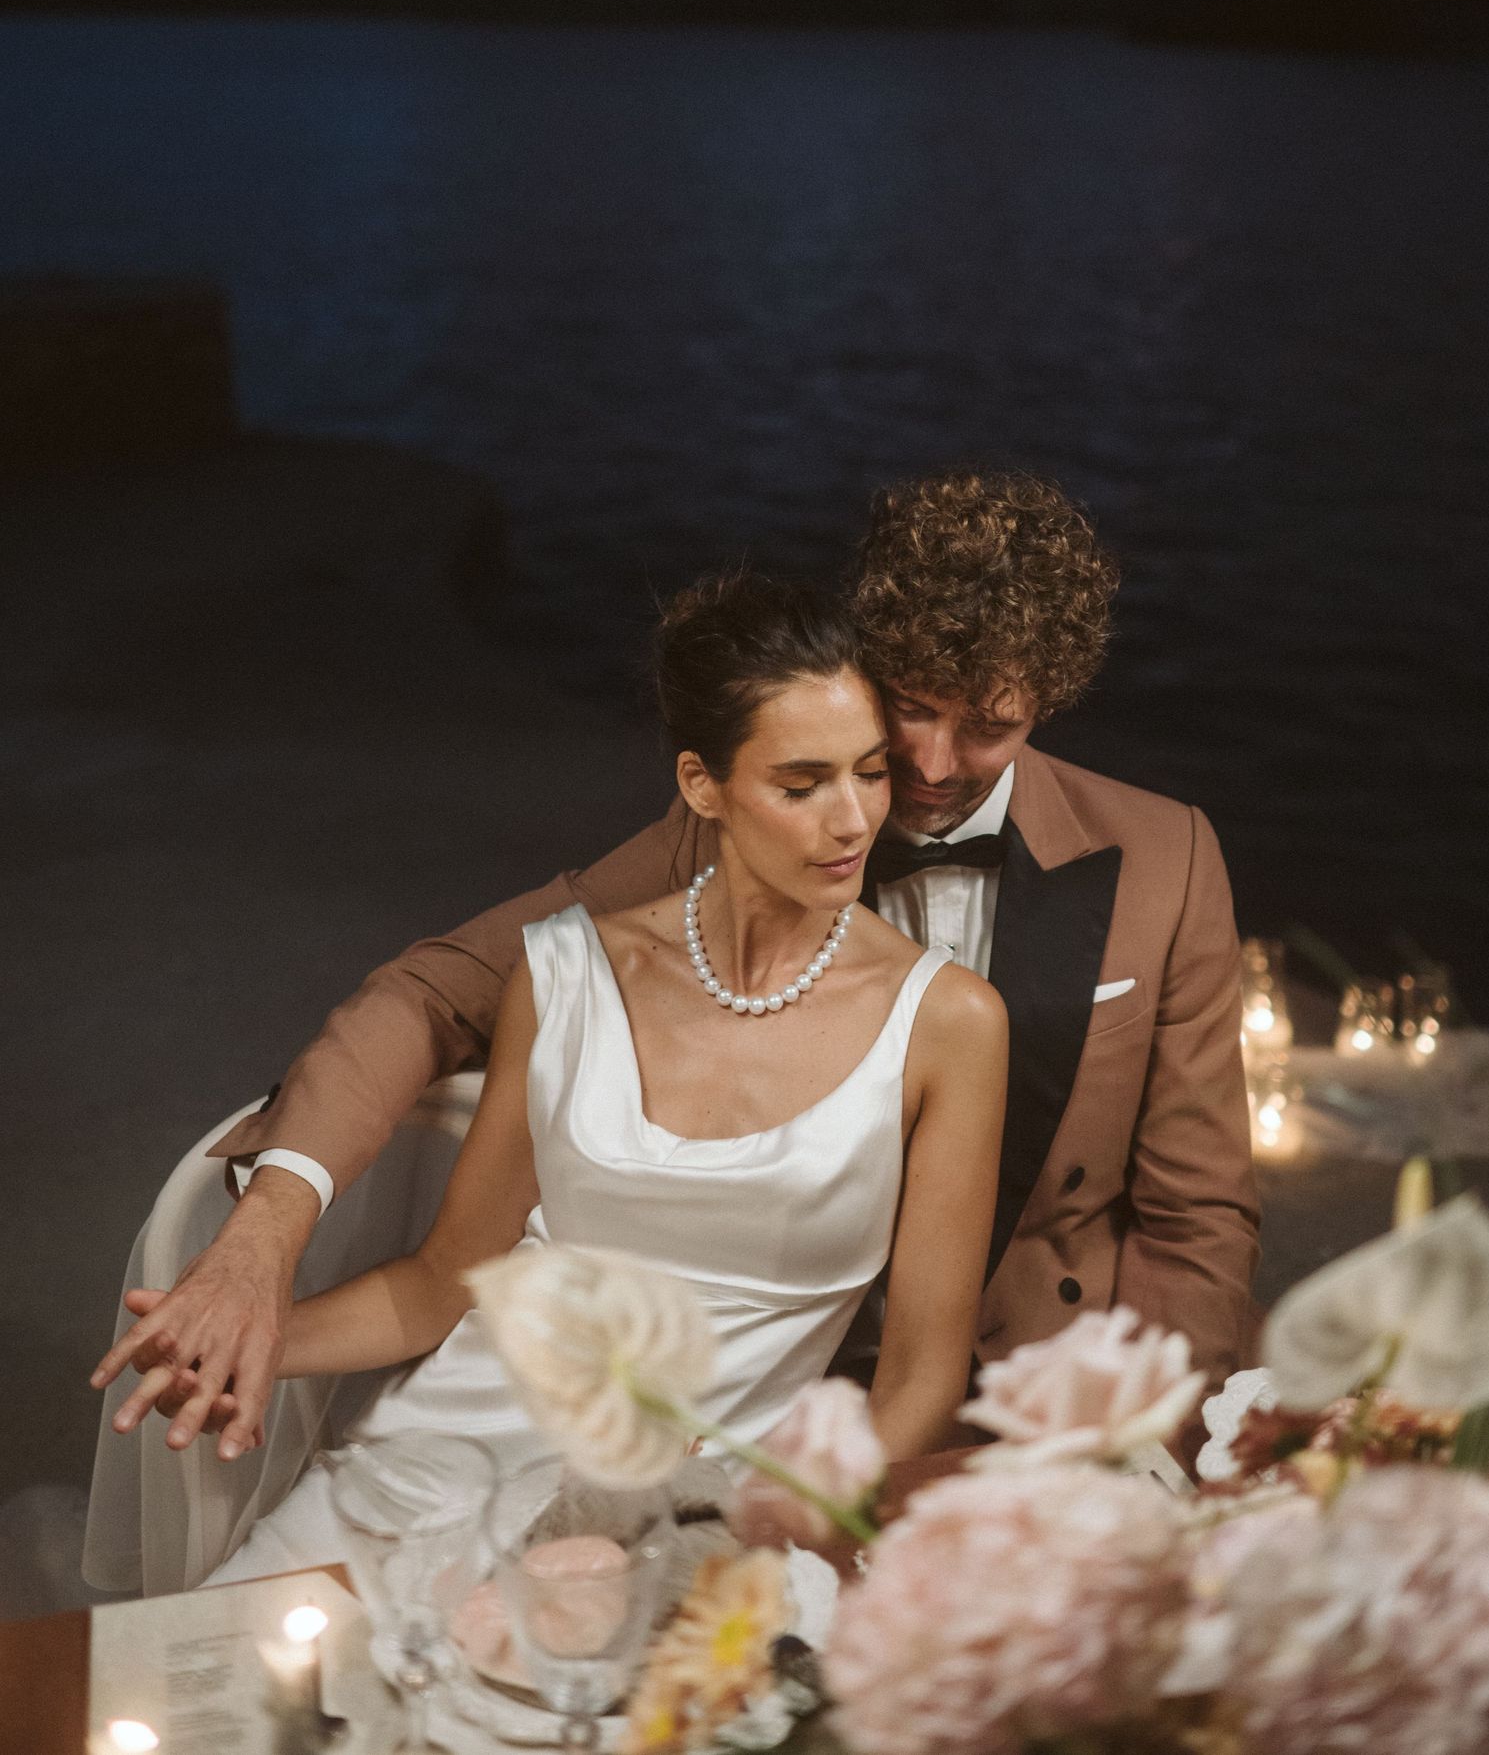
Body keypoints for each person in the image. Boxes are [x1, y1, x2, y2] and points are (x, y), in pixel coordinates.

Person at [95, 468, 1258, 1466]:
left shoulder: (1167, 858)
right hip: (758, 1394)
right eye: (912, 711)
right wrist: (265, 1237)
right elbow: (436, 989)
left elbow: (1197, 1212)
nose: (936, 765)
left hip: (1029, 1394)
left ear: (1048, 704)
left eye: (990, 726)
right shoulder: (743, 829)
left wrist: (1153, 1440)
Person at [135, 571, 1004, 1578]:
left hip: (706, 1523)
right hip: (441, 1464)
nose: (853, 821)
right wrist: (252, 1338)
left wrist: (753, 1511)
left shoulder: (949, 1024)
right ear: (702, 785)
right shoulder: (565, 974)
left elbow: (922, 1384)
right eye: (802, 785)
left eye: (869, 772)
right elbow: (440, 1286)